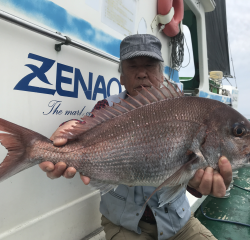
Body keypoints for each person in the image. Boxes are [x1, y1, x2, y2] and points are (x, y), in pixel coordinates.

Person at [39, 34, 232, 240]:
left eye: (150, 65)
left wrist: (197, 182)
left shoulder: (183, 111)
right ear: (121, 77)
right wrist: (62, 137)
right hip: (125, 226)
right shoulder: (107, 108)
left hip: (178, 223)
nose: (142, 74)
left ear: (161, 73)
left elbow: (190, 178)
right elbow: (84, 128)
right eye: (132, 66)